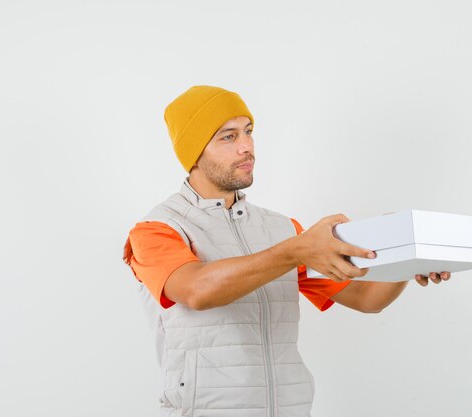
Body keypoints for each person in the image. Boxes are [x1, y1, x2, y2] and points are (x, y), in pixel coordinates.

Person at [122, 85, 451, 417]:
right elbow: (197, 290)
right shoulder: (156, 230)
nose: (247, 147)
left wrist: (405, 259)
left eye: (248, 132)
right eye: (228, 137)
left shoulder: (282, 230)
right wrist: (295, 251)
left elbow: (366, 299)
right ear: (194, 151)